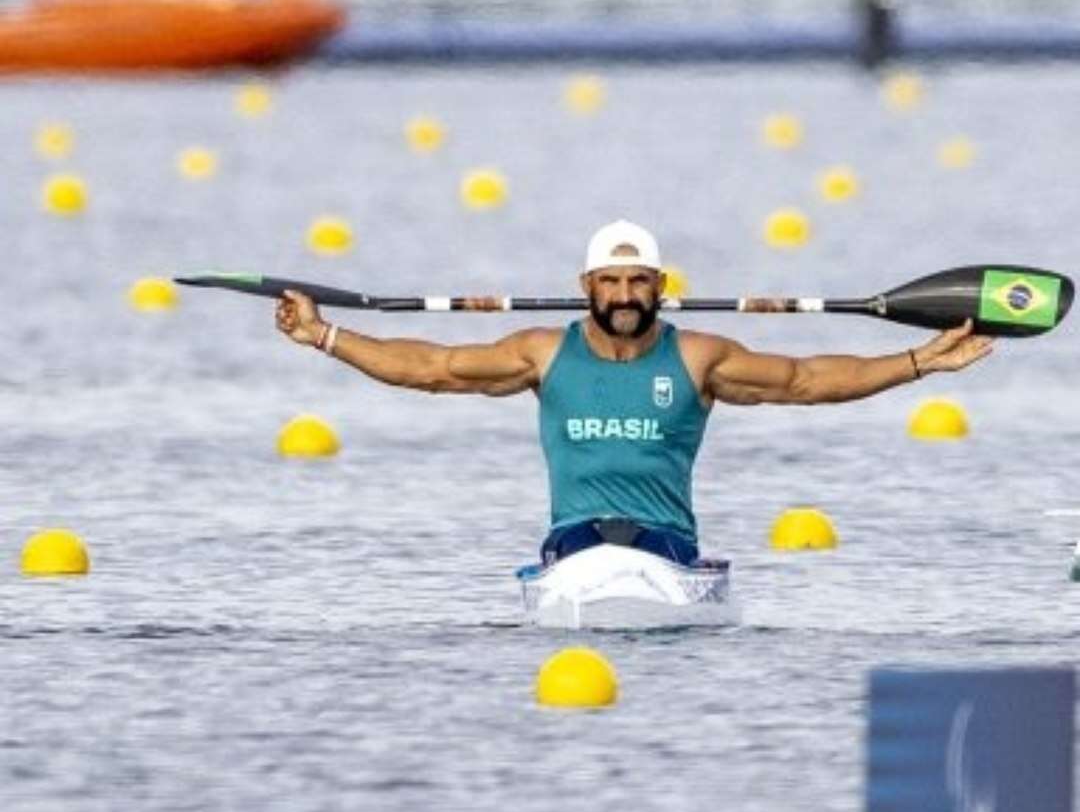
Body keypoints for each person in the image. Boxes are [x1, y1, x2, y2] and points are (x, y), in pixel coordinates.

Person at [274, 218, 992, 565]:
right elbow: (431, 367)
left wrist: (919, 361)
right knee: (582, 543)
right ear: (585, 288)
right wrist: (326, 336)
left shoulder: (700, 358)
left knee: (647, 545)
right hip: (572, 544)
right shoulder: (541, 353)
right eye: (611, 282)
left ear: (661, 288)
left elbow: (806, 382)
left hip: (669, 549)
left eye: (638, 281)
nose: (624, 294)